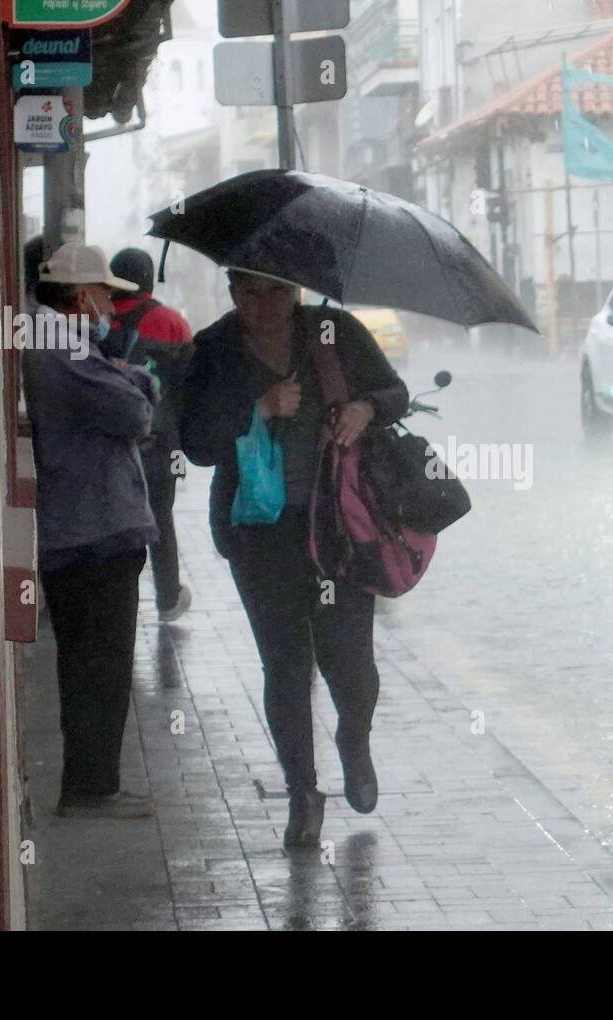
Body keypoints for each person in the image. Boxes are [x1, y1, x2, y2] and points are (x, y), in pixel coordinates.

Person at [180, 269, 408, 848]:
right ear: (232, 292)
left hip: (338, 528)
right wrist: (257, 408)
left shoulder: (334, 331)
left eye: (275, 290)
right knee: (285, 665)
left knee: (351, 665)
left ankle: (353, 741)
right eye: (249, 292)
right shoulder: (212, 348)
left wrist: (364, 409)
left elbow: (394, 393)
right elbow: (195, 443)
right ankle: (303, 794)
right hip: (259, 533)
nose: (263, 304)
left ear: (296, 291)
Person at [22, 241, 159, 819]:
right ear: (81, 295)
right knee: (100, 663)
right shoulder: (60, 346)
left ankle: (93, 782)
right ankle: (92, 787)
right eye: (104, 294)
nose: (110, 304)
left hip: (87, 526)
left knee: (92, 662)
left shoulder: (62, 342)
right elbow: (135, 414)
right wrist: (139, 386)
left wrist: (125, 379)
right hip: (93, 529)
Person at [108, 247, 195, 623]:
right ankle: (169, 597)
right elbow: (191, 385)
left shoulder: (99, 321)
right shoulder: (173, 323)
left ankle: (118, 603)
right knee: (161, 517)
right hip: (162, 443)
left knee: (115, 523)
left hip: (112, 444)